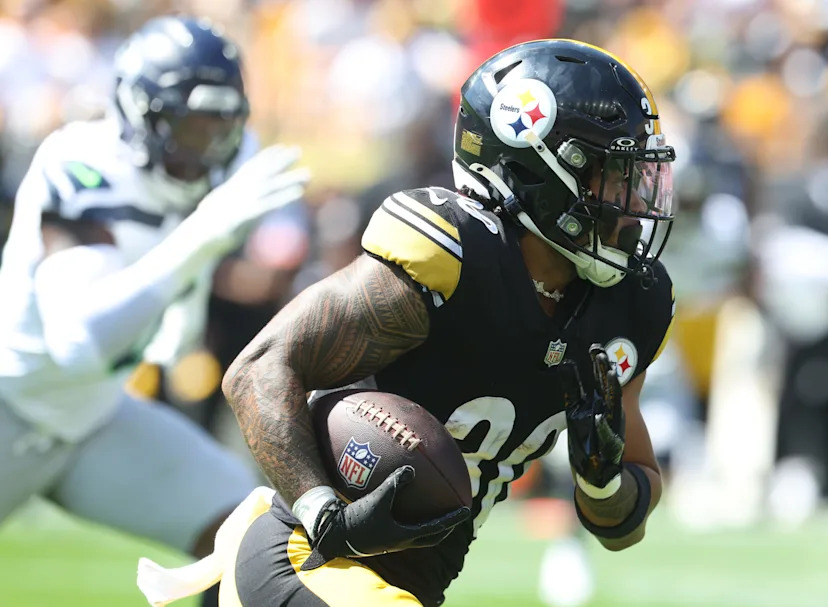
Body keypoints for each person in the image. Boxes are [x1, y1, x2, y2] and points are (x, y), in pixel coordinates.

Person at [140, 38, 676, 607]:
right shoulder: (454, 256)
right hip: (306, 555)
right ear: (539, 170)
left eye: (639, 176)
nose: (634, 201)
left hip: (406, 585)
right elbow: (259, 368)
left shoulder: (626, 306)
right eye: (612, 174)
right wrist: (321, 510)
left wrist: (600, 480)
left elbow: (620, 528)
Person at [0, 14, 308, 605]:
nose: (207, 148)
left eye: (220, 127)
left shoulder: (231, 158)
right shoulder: (80, 165)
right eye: (189, 127)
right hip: (13, 406)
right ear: (138, 114)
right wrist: (203, 236)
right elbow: (77, 345)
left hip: (93, 419)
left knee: (247, 532)